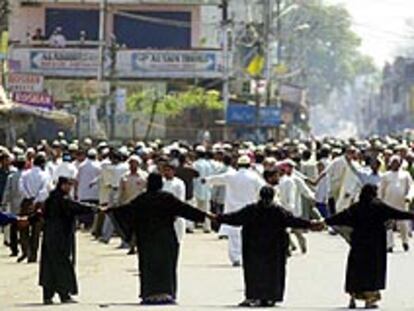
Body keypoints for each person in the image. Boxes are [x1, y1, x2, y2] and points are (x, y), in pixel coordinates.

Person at [107, 173, 212, 305]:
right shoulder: (167, 198)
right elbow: (185, 209)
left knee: (148, 265)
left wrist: (109, 210)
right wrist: (205, 215)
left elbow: (125, 211)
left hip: (147, 238)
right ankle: (166, 294)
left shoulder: (142, 199)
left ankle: (149, 295)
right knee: (166, 266)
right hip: (166, 237)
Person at [216, 186, 322, 307]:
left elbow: (234, 218)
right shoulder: (278, 211)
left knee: (254, 272)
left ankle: (253, 296)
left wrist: (218, 218)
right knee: (273, 273)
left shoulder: (251, 210)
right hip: (274, 249)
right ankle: (271, 297)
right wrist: (311, 224)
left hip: (253, 248)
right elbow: (293, 221)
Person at [325, 184, 414, 309]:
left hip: (358, 244)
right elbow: (396, 213)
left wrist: (325, 221)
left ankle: (353, 298)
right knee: (372, 272)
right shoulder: (378, 206)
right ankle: (369, 300)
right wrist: (412, 215)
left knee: (356, 270)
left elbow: (341, 216)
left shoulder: (356, 207)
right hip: (375, 246)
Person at [39, 177, 97, 305]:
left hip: (50, 235)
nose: (69, 188)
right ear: (62, 185)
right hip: (60, 236)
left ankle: (48, 296)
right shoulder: (62, 199)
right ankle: (64, 294)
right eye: (68, 185)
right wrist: (94, 208)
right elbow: (76, 207)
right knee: (63, 264)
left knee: (49, 264)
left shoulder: (51, 199)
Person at [205, 155, 265, 266]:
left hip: (233, 210)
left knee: (234, 235)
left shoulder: (231, 176)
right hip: (249, 209)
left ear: (238, 165)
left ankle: (236, 258)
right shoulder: (254, 177)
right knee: (249, 234)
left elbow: (218, 179)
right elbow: (264, 189)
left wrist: (206, 180)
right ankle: (248, 257)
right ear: (249, 165)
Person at [19, 153, 50, 263]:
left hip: (26, 202)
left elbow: (21, 187)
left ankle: (26, 250)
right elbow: (44, 191)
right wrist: (36, 200)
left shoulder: (25, 174)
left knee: (23, 227)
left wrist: (29, 197)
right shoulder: (45, 175)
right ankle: (33, 255)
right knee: (36, 231)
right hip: (39, 204)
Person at [378, 155, 413, 252]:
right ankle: (389, 245)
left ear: (400, 163)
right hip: (388, 203)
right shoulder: (386, 175)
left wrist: (409, 197)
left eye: (397, 162)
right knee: (388, 224)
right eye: (393, 162)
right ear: (390, 163)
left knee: (403, 225)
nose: (395, 164)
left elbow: (411, 188)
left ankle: (405, 242)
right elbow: (381, 189)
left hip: (401, 203)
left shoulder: (405, 175)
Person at [2, 155, 26, 259]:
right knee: (25, 227)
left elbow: (7, 191)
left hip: (14, 204)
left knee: (13, 227)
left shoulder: (11, 176)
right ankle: (26, 248)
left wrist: (4, 203)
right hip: (25, 204)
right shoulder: (27, 175)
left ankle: (14, 249)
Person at [76, 149, 101, 229]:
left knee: (84, 211)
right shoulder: (99, 166)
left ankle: (85, 224)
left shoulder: (81, 166)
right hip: (95, 193)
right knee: (93, 211)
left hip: (84, 193)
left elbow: (77, 179)